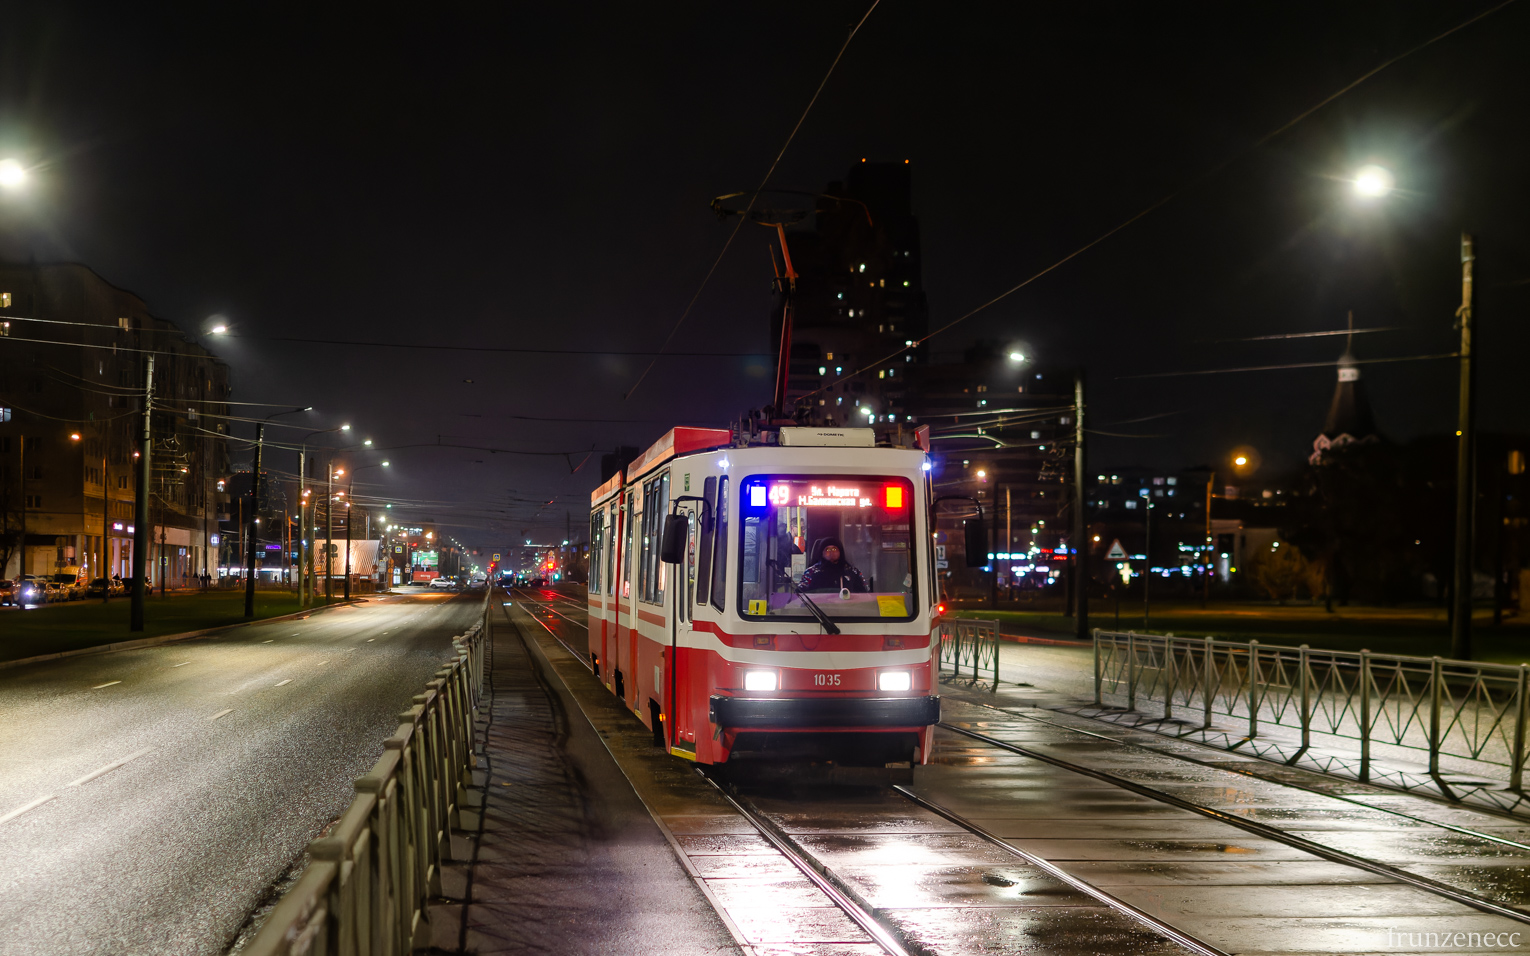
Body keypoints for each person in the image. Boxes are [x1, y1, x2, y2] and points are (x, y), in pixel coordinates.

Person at [797, 537, 869, 593]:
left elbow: (866, 592)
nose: (831, 552)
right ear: (822, 553)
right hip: (819, 609)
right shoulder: (811, 572)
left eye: (834, 549)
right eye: (827, 550)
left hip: (849, 609)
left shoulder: (852, 571)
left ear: (840, 552)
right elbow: (800, 593)